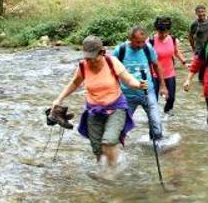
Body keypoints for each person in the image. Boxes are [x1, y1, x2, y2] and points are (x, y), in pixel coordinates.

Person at [51, 36, 146, 172]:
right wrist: (59, 99)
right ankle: (104, 173)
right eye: (86, 57)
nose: (88, 60)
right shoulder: (83, 66)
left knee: (109, 140)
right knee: (97, 148)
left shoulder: (112, 62)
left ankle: (112, 172)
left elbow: (129, 80)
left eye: (92, 57)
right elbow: (74, 83)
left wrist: (139, 85)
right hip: (93, 111)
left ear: (102, 52)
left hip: (116, 108)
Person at [113, 27, 167, 141]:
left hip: (148, 93)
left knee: (156, 124)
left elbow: (157, 65)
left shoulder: (147, 48)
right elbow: (111, 69)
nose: (141, 45)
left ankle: (157, 147)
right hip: (126, 96)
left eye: (143, 41)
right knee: (121, 128)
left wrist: (163, 85)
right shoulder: (120, 50)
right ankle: (118, 153)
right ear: (130, 38)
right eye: (138, 42)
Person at [149, 17, 187, 115]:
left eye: (166, 32)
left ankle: (167, 111)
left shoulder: (173, 39)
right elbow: (146, 58)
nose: (164, 35)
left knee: (171, 98)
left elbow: (176, 52)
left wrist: (184, 62)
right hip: (154, 74)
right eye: (161, 32)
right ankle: (153, 116)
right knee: (153, 100)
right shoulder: (150, 41)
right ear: (157, 30)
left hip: (169, 73)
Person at [188, 5, 208, 82]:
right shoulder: (195, 24)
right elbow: (190, 36)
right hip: (200, 49)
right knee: (201, 68)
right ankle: (201, 82)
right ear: (196, 13)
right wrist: (193, 48)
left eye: (202, 12)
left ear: (205, 12)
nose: (201, 14)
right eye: (199, 12)